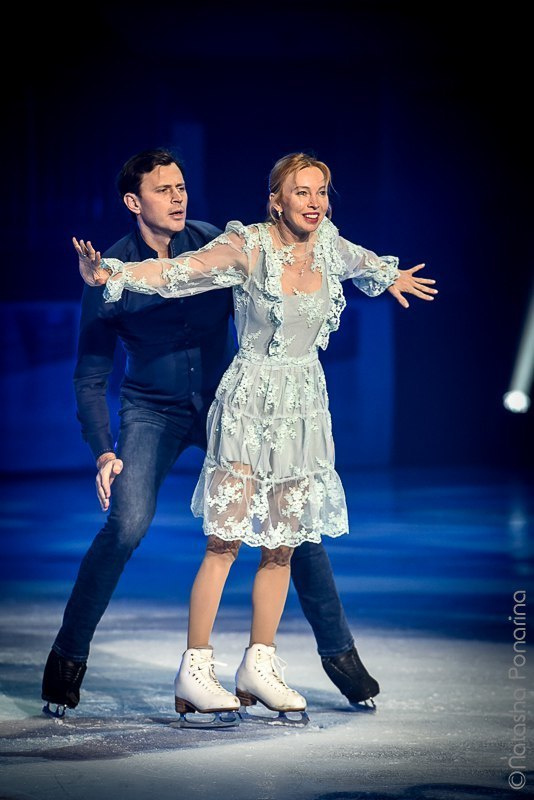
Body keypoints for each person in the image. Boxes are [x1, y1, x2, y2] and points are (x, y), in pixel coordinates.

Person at [73, 151, 437, 723]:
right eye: (302, 192)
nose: (315, 203)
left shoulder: (329, 244)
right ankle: (187, 667)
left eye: (322, 192)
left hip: (302, 409)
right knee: (217, 539)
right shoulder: (245, 246)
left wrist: (392, 277)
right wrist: (111, 275)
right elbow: (176, 274)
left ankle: (259, 665)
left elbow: (364, 262)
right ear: (276, 200)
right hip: (235, 404)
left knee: (286, 542)